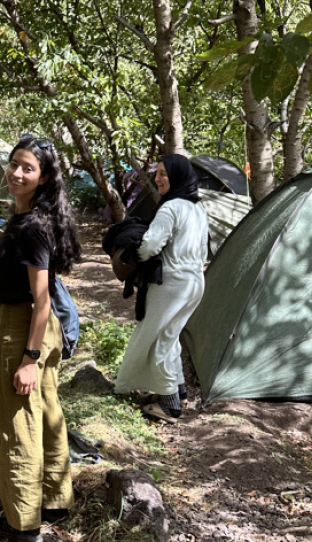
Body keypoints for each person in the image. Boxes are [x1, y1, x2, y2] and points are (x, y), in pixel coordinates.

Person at [0, 134, 81, 542]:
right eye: (14, 164)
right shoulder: (29, 217)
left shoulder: (31, 227)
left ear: (43, 178)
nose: (17, 173)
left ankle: (22, 526)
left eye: (28, 168)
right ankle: (55, 502)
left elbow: (41, 301)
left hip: (25, 326)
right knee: (46, 414)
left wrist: (28, 358)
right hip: (39, 329)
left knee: (18, 426)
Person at [113, 154, 209, 423]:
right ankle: (177, 391)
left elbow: (151, 245)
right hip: (194, 283)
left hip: (171, 284)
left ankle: (170, 406)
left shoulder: (170, 208)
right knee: (169, 338)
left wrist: (135, 260)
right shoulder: (197, 208)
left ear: (178, 176)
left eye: (164, 173)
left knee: (156, 341)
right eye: (157, 173)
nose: (157, 179)